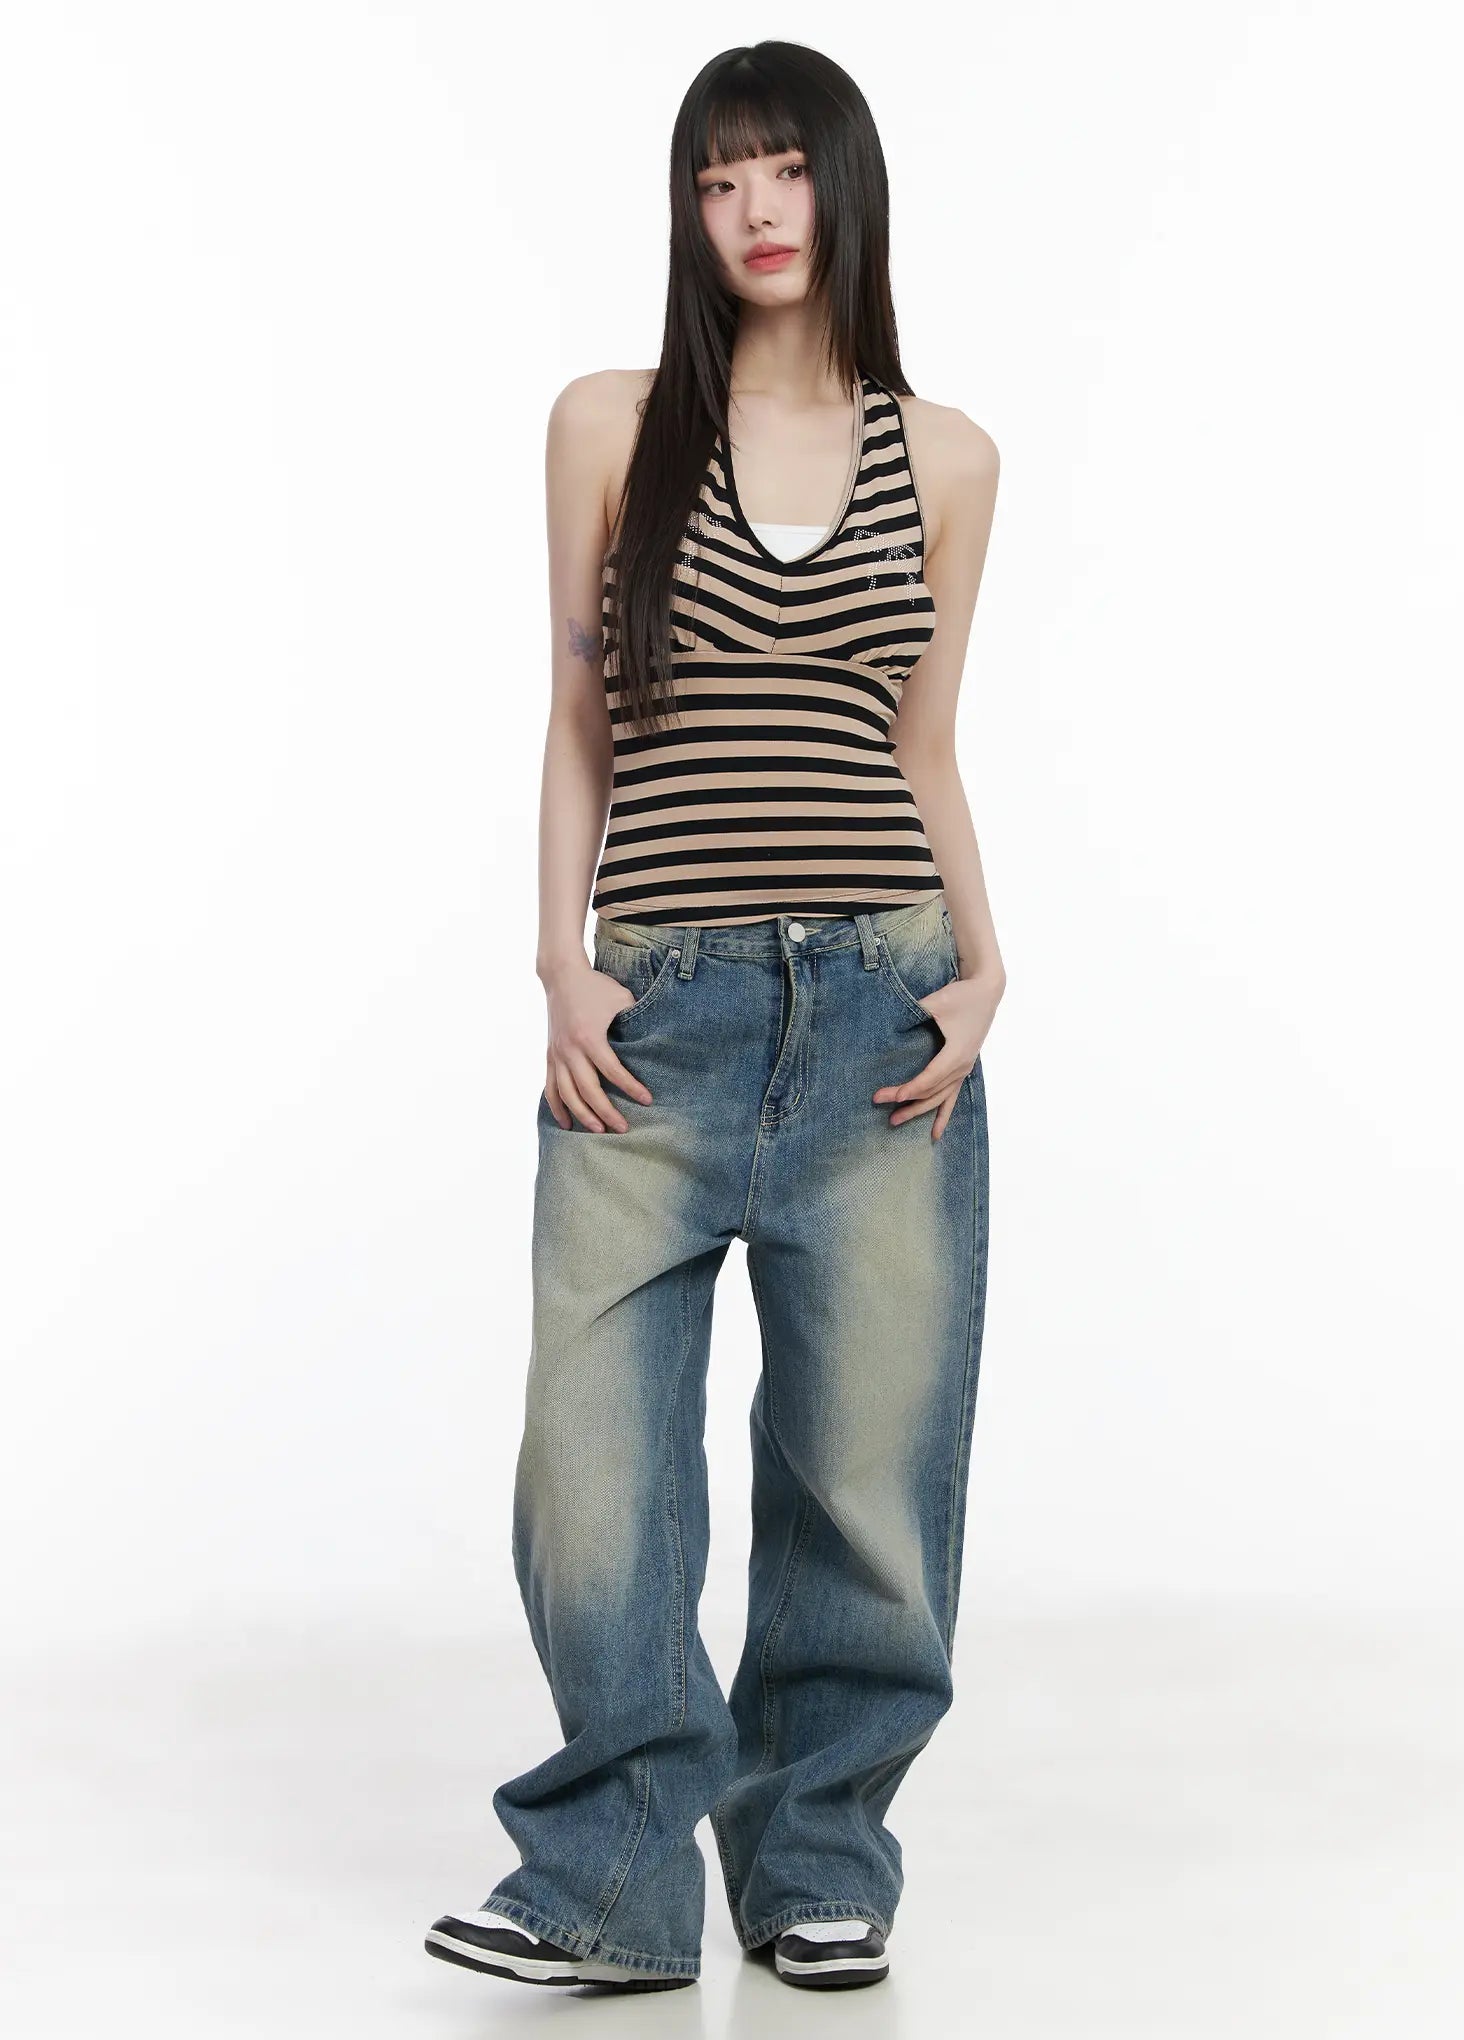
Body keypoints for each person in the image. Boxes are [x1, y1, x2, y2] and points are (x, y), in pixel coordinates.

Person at [426, 38, 1006, 1996]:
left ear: (848, 186)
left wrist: (986, 962)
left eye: (786, 169)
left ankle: (819, 1855)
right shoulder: (611, 423)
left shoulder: (948, 460)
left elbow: (920, 741)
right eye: (717, 177)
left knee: (869, 1474)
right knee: (592, 1472)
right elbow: (579, 716)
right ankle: (609, 1878)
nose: (755, 210)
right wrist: (558, 956)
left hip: (882, 1013)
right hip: (652, 1015)